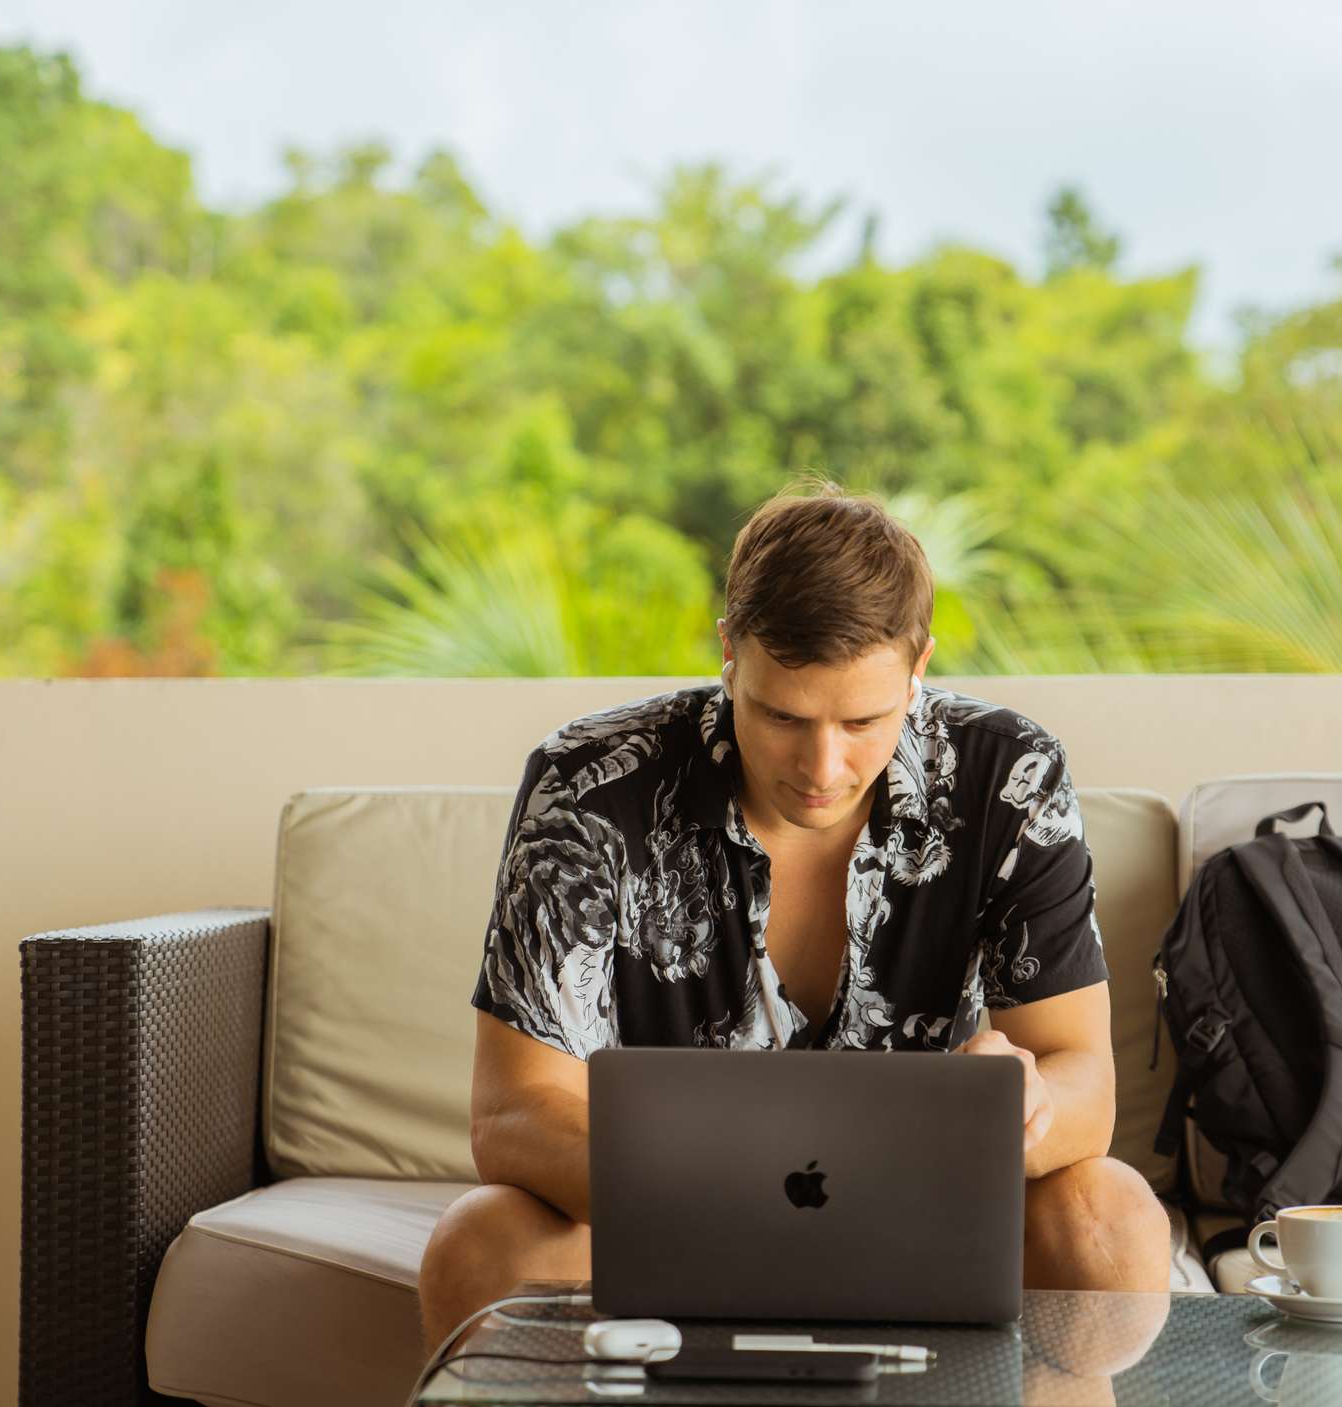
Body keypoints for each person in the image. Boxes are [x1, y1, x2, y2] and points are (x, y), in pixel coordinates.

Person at [418, 482, 1173, 1356]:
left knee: (1110, 1221)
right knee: (479, 1244)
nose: (823, 766)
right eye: (782, 716)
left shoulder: (1012, 774)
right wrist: (718, 1190)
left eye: (863, 720)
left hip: (932, 1212)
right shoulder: (587, 784)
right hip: (668, 1211)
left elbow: (1085, 1082)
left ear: (920, 665)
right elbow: (512, 1111)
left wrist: (1032, 1106)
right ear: (729, 653)